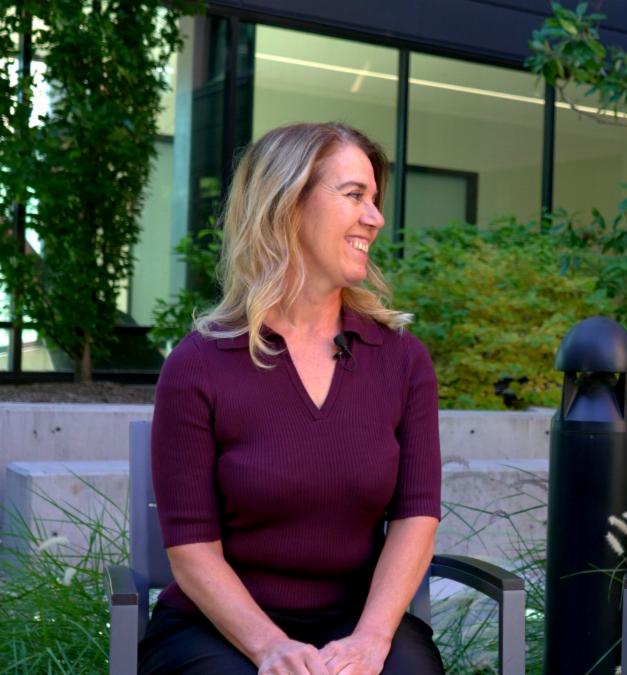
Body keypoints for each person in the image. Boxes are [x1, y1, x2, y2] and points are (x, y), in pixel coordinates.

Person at [139, 123, 444, 675]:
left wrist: (372, 639)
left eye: (375, 200)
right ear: (287, 204)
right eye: (355, 196)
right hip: (219, 629)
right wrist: (269, 648)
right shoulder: (199, 365)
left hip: (358, 621)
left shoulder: (401, 360)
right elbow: (190, 548)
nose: (374, 218)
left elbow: (416, 517)